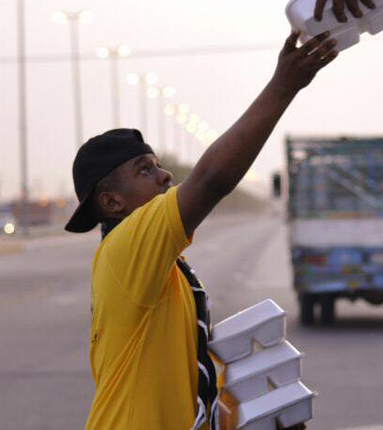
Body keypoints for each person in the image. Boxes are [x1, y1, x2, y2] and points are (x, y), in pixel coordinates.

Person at [66, 30, 337, 430]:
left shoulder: (161, 264)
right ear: (111, 203)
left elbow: (184, 382)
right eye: (145, 170)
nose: (165, 175)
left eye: (158, 164)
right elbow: (211, 179)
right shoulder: (126, 246)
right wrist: (284, 85)